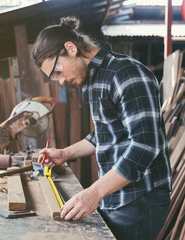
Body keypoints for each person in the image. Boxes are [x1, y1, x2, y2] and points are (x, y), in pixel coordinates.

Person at [32, 16, 171, 240]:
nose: (61, 82)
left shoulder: (125, 73)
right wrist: (65, 154)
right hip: (116, 195)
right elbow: (107, 134)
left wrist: (94, 193)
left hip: (139, 198)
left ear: (71, 48)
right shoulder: (94, 78)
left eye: (58, 72)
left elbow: (145, 145)